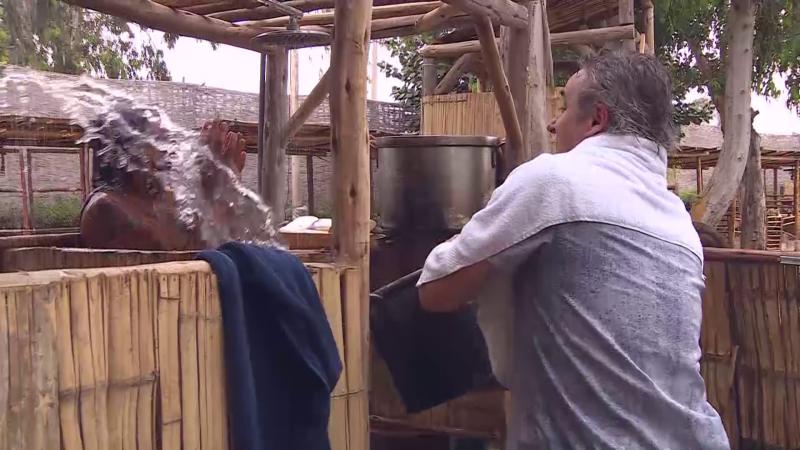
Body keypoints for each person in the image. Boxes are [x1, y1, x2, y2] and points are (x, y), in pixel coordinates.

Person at [416, 52, 730, 449]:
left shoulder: (555, 181)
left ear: (597, 119)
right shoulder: (678, 223)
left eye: (563, 107)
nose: (553, 123)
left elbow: (436, 290)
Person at [79, 120, 247, 250]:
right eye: (159, 140)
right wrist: (217, 194)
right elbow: (188, 256)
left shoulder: (164, 203)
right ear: (132, 150)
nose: (168, 150)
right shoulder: (106, 210)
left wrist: (218, 189)